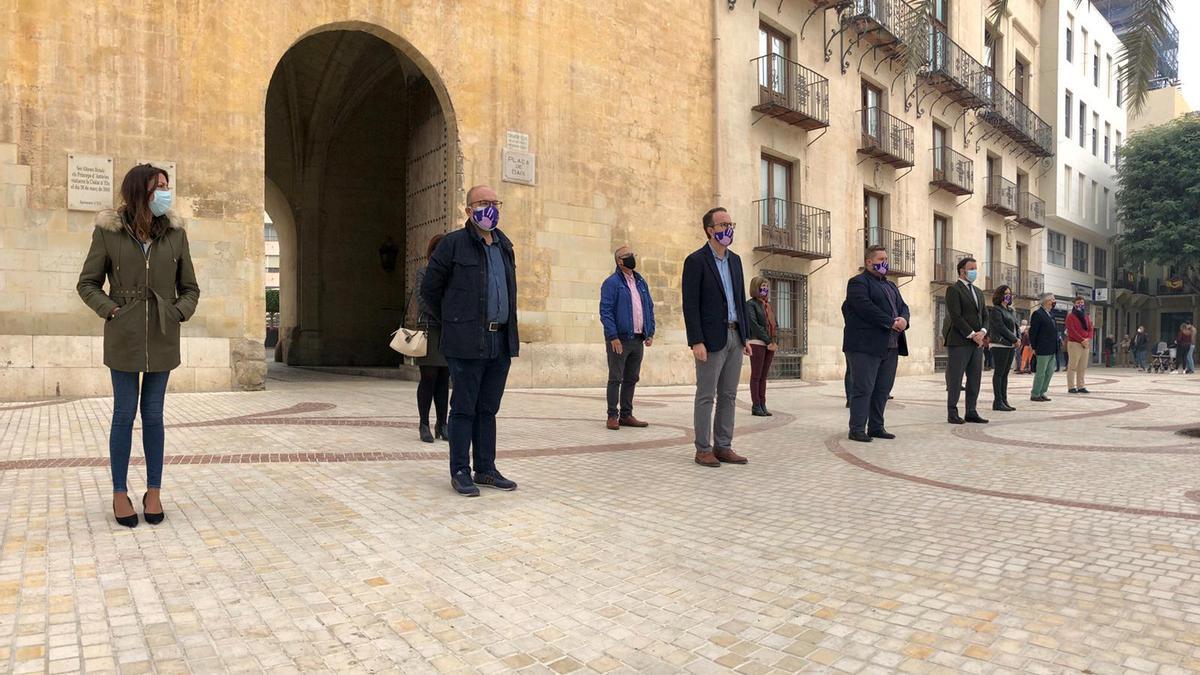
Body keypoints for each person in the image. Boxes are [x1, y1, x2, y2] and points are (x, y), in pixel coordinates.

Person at [77, 164, 200, 528]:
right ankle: (119, 492)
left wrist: (178, 313)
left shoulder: (176, 234)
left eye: (166, 185)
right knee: (123, 415)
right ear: (137, 191)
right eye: (157, 186)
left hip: (163, 333)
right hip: (124, 334)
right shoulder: (108, 232)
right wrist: (112, 310)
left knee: (154, 417)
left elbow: (190, 288)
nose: (165, 191)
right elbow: (87, 283)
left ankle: (154, 491)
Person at [420, 185, 519, 497]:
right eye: (482, 203)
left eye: (493, 202)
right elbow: (430, 291)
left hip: (499, 341)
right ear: (468, 210)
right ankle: (460, 470)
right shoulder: (452, 245)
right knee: (463, 408)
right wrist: (455, 322)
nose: (489, 208)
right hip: (466, 342)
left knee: (488, 408)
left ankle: (486, 469)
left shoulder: (504, 245)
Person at [682, 207, 751, 467]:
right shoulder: (696, 260)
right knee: (706, 395)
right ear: (709, 230)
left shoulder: (735, 260)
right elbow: (690, 304)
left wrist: (745, 337)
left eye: (730, 224)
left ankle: (724, 445)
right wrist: (696, 340)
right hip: (710, 339)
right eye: (722, 225)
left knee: (729, 395)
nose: (727, 229)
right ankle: (703, 449)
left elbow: (740, 300)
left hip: (735, 336)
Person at [842, 245, 909, 442]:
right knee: (863, 388)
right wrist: (891, 322)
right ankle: (856, 429)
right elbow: (864, 307)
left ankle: (876, 426)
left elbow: (903, 307)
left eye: (886, 259)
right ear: (869, 261)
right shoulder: (857, 283)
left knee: (882, 389)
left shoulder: (891, 286)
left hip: (891, 346)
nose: (885, 263)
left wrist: (904, 320)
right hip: (865, 346)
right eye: (881, 259)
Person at [599, 245, 656, 429]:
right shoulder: (612, 283)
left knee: (632, 377)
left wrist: (650, 331)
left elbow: (648, 306)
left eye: (633, 254)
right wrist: (613, 336)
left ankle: (626, 414)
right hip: (619, 339)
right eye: (628, 255)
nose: (633, 258)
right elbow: (605, 311)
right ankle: (612, 415)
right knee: (615, 377)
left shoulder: (640, 282)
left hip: (638, 338)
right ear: (619, 260)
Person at [942, 257, 988, 425]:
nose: (974, 271)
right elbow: (956, 316)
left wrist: (982, 332)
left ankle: (971, 411)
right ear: (962, 271)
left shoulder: (978, 292)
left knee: (975, 377)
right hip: (960, 341)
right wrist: (972, 334)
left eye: (976, 268)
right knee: (956, 378)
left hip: (977, 343)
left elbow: (985, 315)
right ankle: (952, 412)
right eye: (971, 268)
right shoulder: (953, 290)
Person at [413, 234, 449, 444]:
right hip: (429, 328)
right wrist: (443, 317)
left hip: (447, 331)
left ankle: (442, 424)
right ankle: (424, 423)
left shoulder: (451, 275)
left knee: (444, 378)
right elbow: (422, 299)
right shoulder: (423, 272)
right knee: (429, 377)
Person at [745, 276, 778, 417]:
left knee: (764, 376)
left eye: (767, 286)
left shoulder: (768, 305)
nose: (765, 289)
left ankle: (763, 404)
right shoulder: (750, 304)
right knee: (756, 376)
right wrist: (767, 340)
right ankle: (756, 405)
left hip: (770, 344)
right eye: (763, 286)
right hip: (757, 343)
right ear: (756, 287)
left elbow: (775, 324)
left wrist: (775, 341)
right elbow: (754, 325)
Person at [987, 285, 1019, 411]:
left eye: (1009, 294)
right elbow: (1001, 327)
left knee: (1005, 374)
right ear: (1000, 295)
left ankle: (1004, 400)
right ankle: (997, 401)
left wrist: (1018, 338)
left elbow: (1016, 325)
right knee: (999, 373)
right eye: (1006, 293)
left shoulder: (1011, 310)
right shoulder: (996, 310)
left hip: (1010, 345)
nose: (1008, 296)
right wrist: (1014, 339)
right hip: (1000, 344)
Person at [1028, 293, 1058, 402]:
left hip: (1052, 348)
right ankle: (1035, 393)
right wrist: (1034, 346)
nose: (1054, 301)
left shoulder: (1050, 314)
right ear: (1046, 301)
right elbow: (1033, 332)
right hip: (1042, 348)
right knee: (1041, 372)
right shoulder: (1038, 314)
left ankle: (1042, 391)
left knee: (1049, 372)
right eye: (1052, 299)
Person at [1065, 296, 1094, 393]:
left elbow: (1090, 329)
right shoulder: (1070, 316)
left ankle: (1081, 386)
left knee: (1082, 366)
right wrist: (1082, 340)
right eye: (1078, 302)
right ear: (1074, 304)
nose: (1080, 304)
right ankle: (1071, 387)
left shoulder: (1086, 316)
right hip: (1074, 343)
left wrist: (1088, 338)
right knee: (1073, 366)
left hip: (1085, 343)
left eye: (1082, 302)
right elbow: (1071, 330)